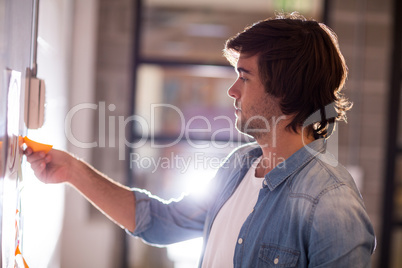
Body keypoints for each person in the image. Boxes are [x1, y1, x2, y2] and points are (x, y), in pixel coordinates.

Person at [25, 12, 376, 267]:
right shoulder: (239, 165)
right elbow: (159, 223)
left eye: (245, 77)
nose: (232, 90)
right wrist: (72, 171)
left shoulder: (330, 202)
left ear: (285, 88)